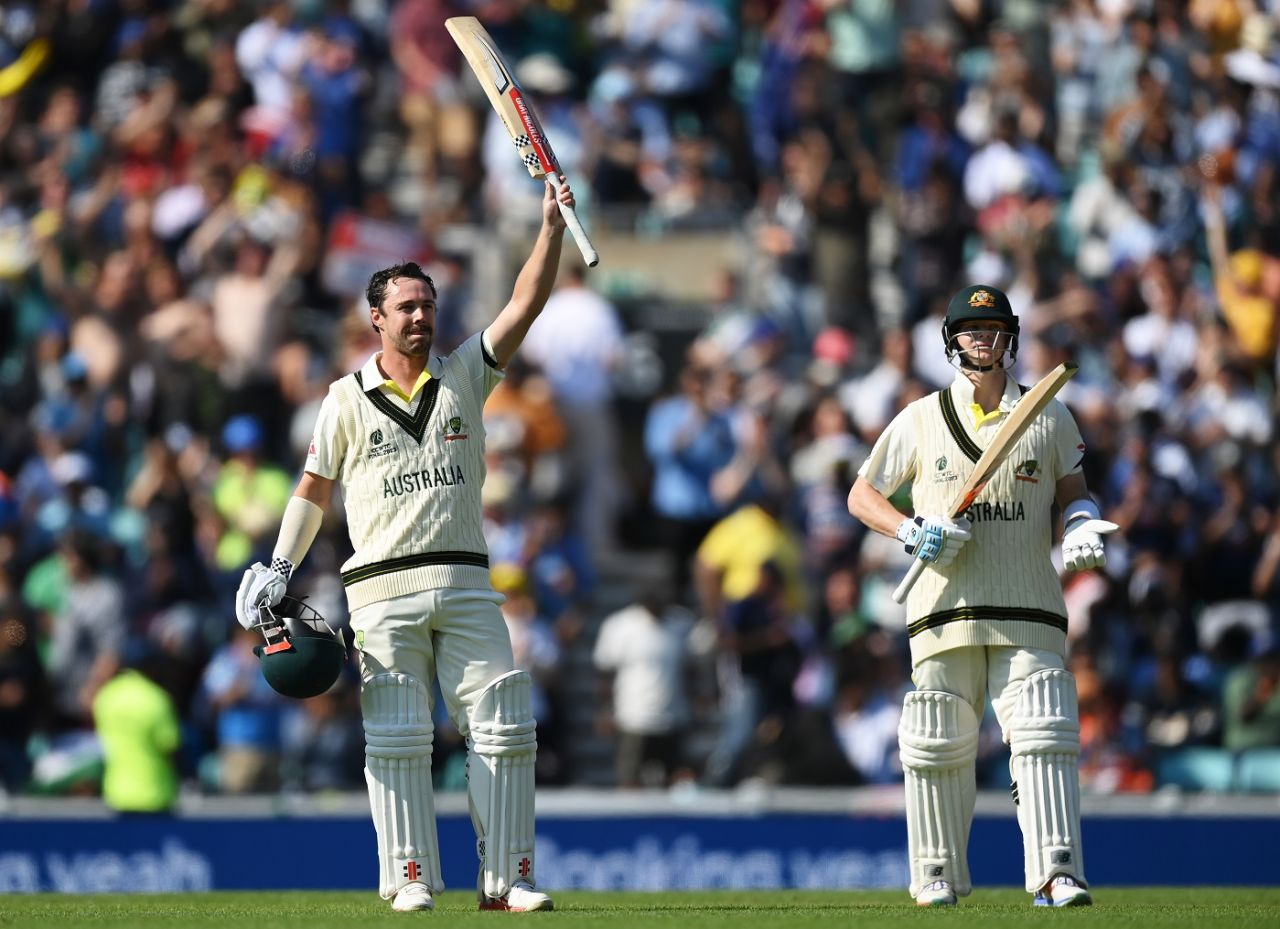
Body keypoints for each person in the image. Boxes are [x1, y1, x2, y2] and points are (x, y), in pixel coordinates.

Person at [234, 179, 578, 913]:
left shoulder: (464, 375)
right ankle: (409, 875)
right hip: (380, 588)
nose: (421, 316)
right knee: (396, 733)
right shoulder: (343, 397)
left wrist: (550, 227)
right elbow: (314, 487)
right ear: (376, 318)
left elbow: (524, 304)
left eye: (427, 305)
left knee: (505, 722)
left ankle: (508, 876)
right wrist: (281, 566)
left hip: (465, 581)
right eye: (407, 307)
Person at [847, 284, 1117, 908]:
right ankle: (936, 874)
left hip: (1028, 604)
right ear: (952, 341)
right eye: (971, 329)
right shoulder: (918, 418)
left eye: (993, 328)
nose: (983, 338)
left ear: (1011, 337)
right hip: (943, 608)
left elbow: (1075, 489)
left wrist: (1079, 523)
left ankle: (1057, 871)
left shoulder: (1049, 414)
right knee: (937, 740)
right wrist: (911, 530)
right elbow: (863, 497)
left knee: (1044, 732)